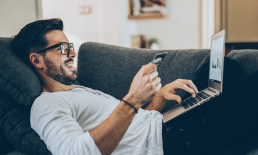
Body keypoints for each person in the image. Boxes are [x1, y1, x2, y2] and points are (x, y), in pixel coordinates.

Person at [12, 18, 258, 155]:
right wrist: (132, 100)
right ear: (37, 60)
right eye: (62, 49)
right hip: (175, 140)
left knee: (226, 66)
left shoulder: (76, 91)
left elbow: (132, 132)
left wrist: (157, 100)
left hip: (167, 124)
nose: (71, 54)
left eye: (71, 47)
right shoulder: (45, 106)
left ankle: (232, 139)